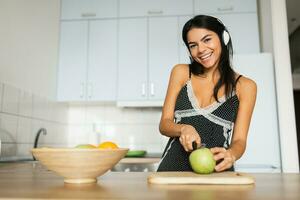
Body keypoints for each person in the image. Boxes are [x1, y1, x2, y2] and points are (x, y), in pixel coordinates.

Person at [157, 15, 257, 172]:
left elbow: (239, 140)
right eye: (193, 45)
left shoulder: (245, 86)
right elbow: (164, 124)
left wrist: (232, 154)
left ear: (223, 38)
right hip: (172, 170)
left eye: (207, 40)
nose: (201, 50)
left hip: (217, 171)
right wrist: (183, 128)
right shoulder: (181, 73)